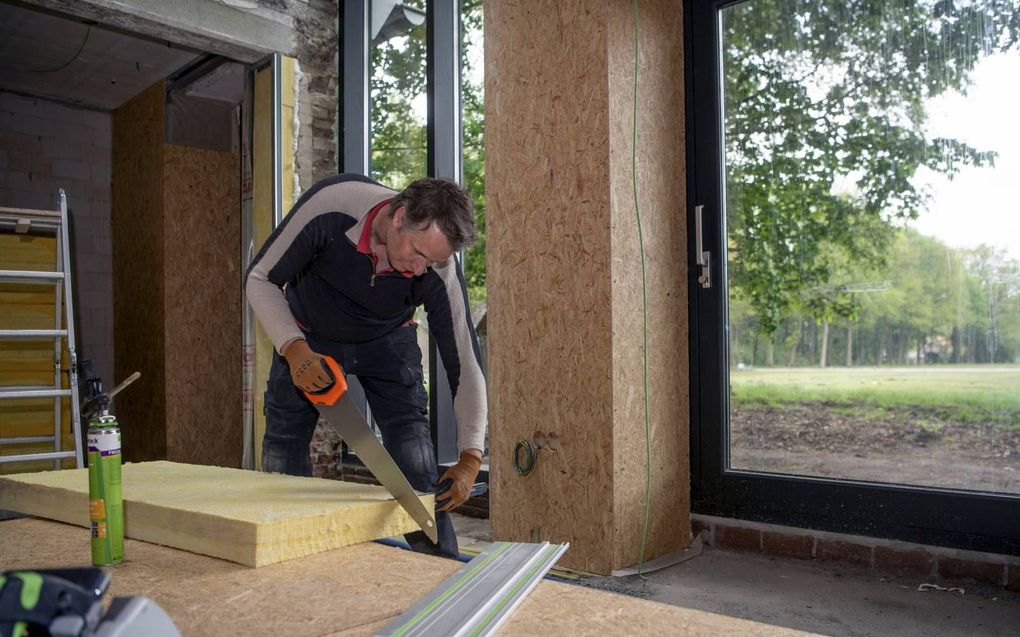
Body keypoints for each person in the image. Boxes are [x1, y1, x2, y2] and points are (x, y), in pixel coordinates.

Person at [244, 173, 486, 559]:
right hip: (308, 336)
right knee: (282, 452)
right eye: (418, 253)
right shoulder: (334, 205)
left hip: (388, 341)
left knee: (415, 465)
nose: (422, 269)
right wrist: (293, 349)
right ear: (398, 216)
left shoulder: (437, 269)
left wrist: (471, 456)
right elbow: (259, 279)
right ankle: (284, 558)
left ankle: (439, 567)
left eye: (434, 261)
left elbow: (465, 362)